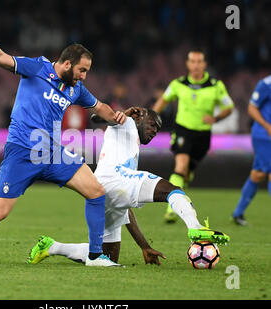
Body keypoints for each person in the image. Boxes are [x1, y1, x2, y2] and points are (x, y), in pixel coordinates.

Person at [0, 16, 127, 267]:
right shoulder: (36, 67)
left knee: (96, 192)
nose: (83, 76)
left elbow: (99, 106)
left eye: (87, 72)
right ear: (67, 63)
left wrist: (117, 117)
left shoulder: (75, 89)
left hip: (52, 153)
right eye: (82, 70)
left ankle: (94, 256)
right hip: (22, 151)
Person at [27, 107, 230, 266]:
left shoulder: (130, 147)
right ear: (139, 119)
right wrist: (122, 115)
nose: (153, 131)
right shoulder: (126, 124)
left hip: (104, 188)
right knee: (173, 190)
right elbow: (97, 119)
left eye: (157, 130)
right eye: (151, 124)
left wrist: (145, 247)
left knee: (107, 256)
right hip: (113, 178)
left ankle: (52, 247)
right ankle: (195, 228)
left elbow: (126, 208)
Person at [153, 49, 235, 223]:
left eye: (199, 62)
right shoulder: (178, 84)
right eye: (192, 61)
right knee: (180, 168)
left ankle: (181, 191)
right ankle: (171, 210)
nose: (196, 65)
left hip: (203, 136)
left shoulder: (215, 86)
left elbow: (229, 107)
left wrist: (216, 118)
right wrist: (151, 117)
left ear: (204, 64)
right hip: (183, 130)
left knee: (187, 175)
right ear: (187, 64)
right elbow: (163, 100)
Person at [232, 75, 271, 225]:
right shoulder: (266, 84)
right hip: (264, 135)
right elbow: (252, 108)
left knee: (258, 174)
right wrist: (267, 126)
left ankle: (238, 213)